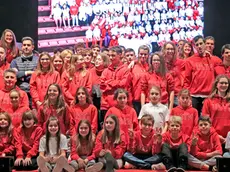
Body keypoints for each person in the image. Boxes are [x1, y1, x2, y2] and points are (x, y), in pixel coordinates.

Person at [184, 35, 222, 115]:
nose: (199, 46)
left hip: (209, 95)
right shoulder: (189, 61)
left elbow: (220, 78)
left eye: (201, 43)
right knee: (194, 120)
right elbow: (187, 80)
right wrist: (188, 96)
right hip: (194, 95)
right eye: (197, 45)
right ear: (194, 47)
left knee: (207, 121)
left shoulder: (215, 60)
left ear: (205, 44)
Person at [100, 46, 130, 127]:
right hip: (106, 104)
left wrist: (109, 82)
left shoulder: (125, 69)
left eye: (113, 55)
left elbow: (123, 84)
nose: (110, 58)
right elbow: (102, 85)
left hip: (119, 105)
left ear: (120, 55)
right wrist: (116, 84)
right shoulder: (106, 70)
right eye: (109, 55)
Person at [10, 37, 39, 105]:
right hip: (19, 93)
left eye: (28, 45)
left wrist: (21, 74)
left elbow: (39, 74)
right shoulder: (15, 61)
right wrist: (29, 72)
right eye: (24, 45)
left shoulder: (39, 60)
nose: (26, 47)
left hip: (35, 93)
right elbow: (14, 75)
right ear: (21, 47)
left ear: (32, 47)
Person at [202, 75, 230, 144]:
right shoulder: (208, 101)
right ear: (216, 85)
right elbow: (205, 121)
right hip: (213, 137)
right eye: (221, 83)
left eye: (226, 83)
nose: (224, 85)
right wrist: (215, 135)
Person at [161, 42, 185, 107]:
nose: (170, 51)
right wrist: (134, 61)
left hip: (177, 94)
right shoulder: (160, 62)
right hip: (164, 94)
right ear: (164, 50)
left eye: (172, 49)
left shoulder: (180, 62)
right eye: (168, 49)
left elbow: (191, 61)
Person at [130, 45, 149, 115]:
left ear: (148, 55)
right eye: (141, 54)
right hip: (135, 99)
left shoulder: (151, 68)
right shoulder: (132, 67)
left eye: (145, 54)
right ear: (138, 54)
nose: (143, 56)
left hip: (147, 100)